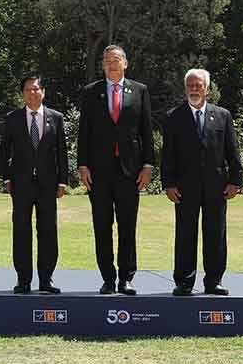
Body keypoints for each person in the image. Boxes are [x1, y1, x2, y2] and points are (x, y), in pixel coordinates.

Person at [77, 44, 154, 295]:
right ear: (102, 65)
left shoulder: (140, 91)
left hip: (129, 171)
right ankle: (108, 278)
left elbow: (146, 131)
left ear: (126, 63)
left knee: (127, 225)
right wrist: (83, 165)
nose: (112, 64)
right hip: (98, 172)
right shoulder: (91, 92)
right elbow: (84, 132)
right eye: (108, 60)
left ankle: (126, 278)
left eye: (117, 59)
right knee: (102, 224)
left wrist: (148, 165)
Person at [161, 68, 243, 296]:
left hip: (217, 187)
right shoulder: (173, 117)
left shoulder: (223, 115)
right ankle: (184, 281)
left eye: (199, 85)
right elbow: (167, 155)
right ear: (185, 88)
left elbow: (232, 151)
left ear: (207, 89)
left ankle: (214, 281)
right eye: (191, 85)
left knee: (215, 234)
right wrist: (168, 183)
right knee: (185, 234)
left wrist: (235, 180)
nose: (194, 89)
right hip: (184, 188)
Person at [0, 75, 68, 294]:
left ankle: (46, 280)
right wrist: (7, 178)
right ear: (23, 94)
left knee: (48, 231)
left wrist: (63, 180)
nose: (32, 93)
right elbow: (4, 151)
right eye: (27, 90)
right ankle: (23, 280)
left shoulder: (55, 118)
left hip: (48, 184)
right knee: (21, 231)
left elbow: (62, 152)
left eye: (36, 89)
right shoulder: (13, 118)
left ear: (43, 92)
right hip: (21, 184)